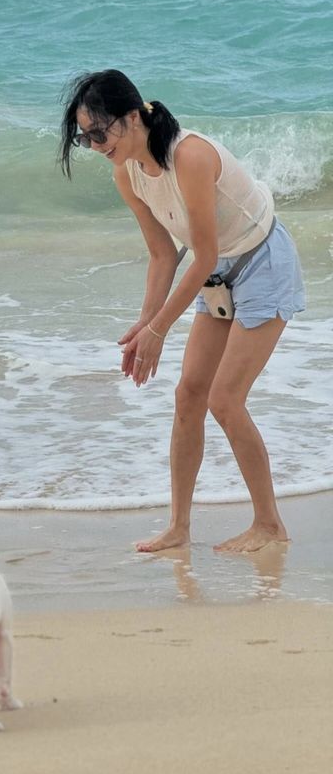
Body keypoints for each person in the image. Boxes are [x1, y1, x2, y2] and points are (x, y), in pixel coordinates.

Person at [59, 69, 305, 553]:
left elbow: (206, 253)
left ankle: (269, 524)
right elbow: (163, 254)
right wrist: (144, 324)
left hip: (262, 263)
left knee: (224, 399)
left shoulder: (189, 155)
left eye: (99, 132)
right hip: (215, 276)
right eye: (84, 136)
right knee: (188, 394)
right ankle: (178, 528)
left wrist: (160, 329)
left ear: (132, 118)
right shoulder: (126, 173)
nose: (93, 144)